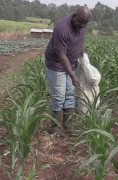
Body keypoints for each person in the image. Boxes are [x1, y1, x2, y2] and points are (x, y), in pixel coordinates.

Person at [45, 6, 91, 135]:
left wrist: (83, 56)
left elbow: (80, 42)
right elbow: (61, 56)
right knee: (59, 95)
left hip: (72, 63)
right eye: (80, 22)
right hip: (57, 65)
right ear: (74, 16)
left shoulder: (82, 25)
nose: (81, 26)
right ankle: (55, 127)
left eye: (84, 24)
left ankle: (68, 126)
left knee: (70, 94)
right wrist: (72, 76)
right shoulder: (62, 29)